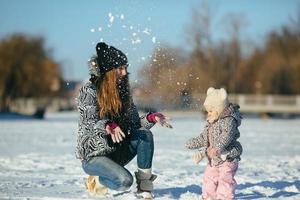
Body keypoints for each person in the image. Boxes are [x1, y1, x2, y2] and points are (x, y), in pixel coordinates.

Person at [75, 42, 173, 199]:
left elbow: (135, 125)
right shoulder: (89, 91)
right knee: (124, 181)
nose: (125, 72)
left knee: (144, 134)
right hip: (93, 155)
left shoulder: (124, 93)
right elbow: (89, 124)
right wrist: (107, 125)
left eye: (125, 67)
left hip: (116, 151)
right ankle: (97, 181)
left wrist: (151, 118)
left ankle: (144, 187)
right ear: (109, 71)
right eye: (120, 68)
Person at [185, 87, 243, 200]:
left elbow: (227, 135)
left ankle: (224, 197)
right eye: (207, 111)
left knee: (225, 179)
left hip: (228, 157)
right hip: (214, 159)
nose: (208, 113)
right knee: (209, 178)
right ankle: (208, 197)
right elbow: (204, 137)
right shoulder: (211, 122)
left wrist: (216, 148)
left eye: (211, 111)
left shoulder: (229, 120)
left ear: (219, 108)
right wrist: (193, 143)